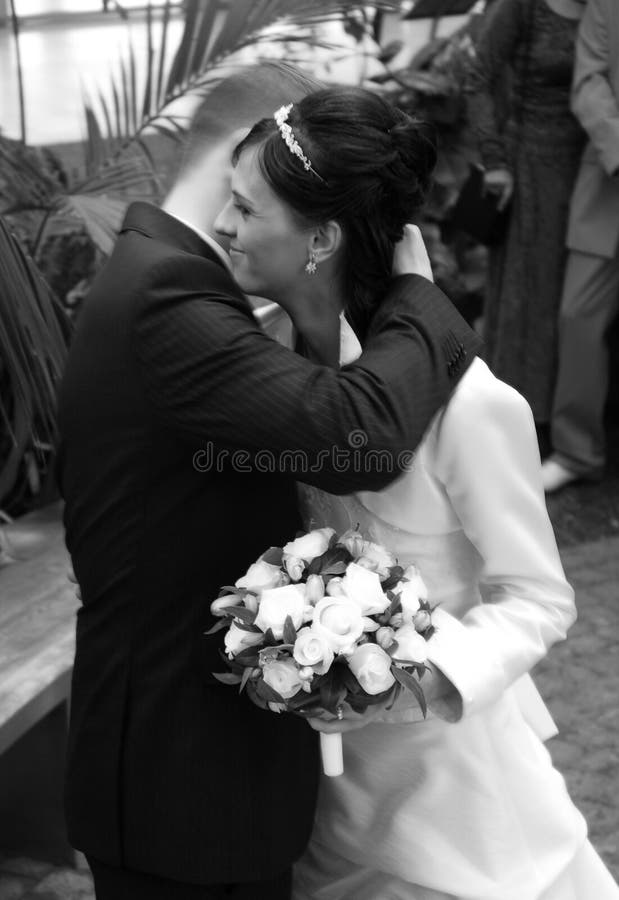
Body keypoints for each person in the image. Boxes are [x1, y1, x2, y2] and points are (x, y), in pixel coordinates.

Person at [56, 63, 480, 900]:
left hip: (206, 766)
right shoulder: (166, 294)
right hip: (177, 784)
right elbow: (355, 436)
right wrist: (420, 297)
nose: (233, 221)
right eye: (245, 200)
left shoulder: (181, 283)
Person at [213, 86, 619, 899]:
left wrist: (418, 677)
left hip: (451, 786)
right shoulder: (255, 360)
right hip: (318, 792)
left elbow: (538, 597)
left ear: (320, 238)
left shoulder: (472, 405)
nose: (221, 225)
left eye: (244, 208)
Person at [467, 0, 586, 444]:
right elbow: (477, 76)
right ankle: (517, 415)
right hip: (529, 166)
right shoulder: (526, 6)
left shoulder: (603, 10)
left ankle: (565, 413)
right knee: (528, 293)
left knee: (573, 302)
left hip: (591, 169)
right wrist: (494, 159)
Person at [542, 0, 619, 492]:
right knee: (578, 317)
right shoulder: (606, 7)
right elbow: (589, 85)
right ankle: (576, 451)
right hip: (609, 184)